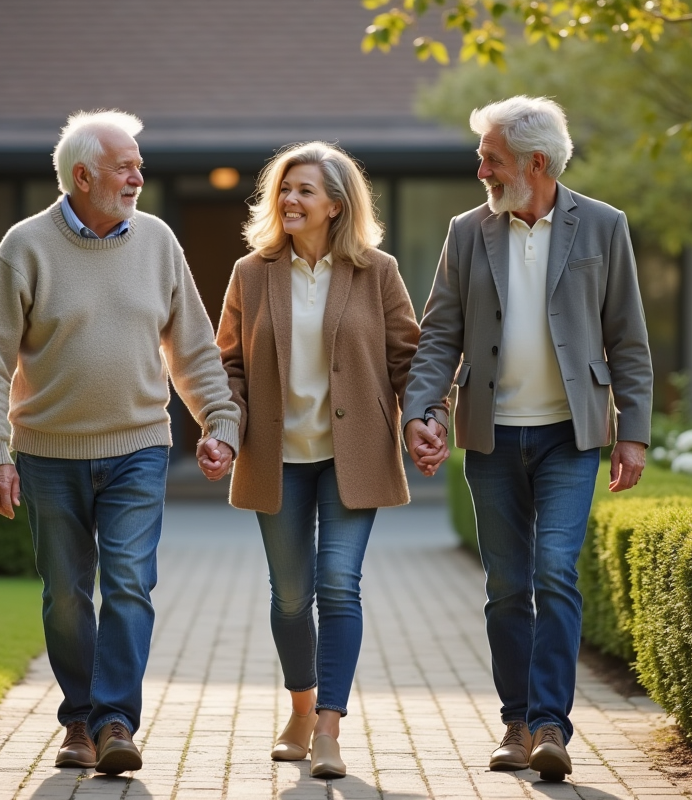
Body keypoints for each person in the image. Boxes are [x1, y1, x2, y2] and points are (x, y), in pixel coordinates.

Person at [0, 110, 238, 776]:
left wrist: (219, 423)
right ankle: (80, 720)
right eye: (126, 166)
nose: (139, 177)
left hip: (139, 447)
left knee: (128, 585)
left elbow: (194, 348)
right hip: (48, 452)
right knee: (65, 594)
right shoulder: (24, 247)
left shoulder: (158, 242)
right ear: (82, 176)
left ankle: (115, 720)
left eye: (139, 165)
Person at [402, 96, 652, 781]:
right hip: (492, 434)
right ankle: (516, 721)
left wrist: (633, 434)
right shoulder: (466, 231)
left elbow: (628, 337)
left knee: (554, 574)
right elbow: (439, 335)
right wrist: (421, 409)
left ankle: (550, 725)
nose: (479, 166)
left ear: (535, 163)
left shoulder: (603, 226)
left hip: (570, 437)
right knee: (509, 586)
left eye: (491, 157)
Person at [216, 141, 420, 779]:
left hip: (350, 457)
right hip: (276, 459)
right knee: (290, 598)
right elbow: (228, 367)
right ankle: (300, 709)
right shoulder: (252, 273)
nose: (291, 200)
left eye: (305, 190)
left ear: (336, 204)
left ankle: (329, 727)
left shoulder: (376, 271)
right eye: (284, 188)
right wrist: (223, 428)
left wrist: (425, 419)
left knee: (338, 585)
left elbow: (408, 359)